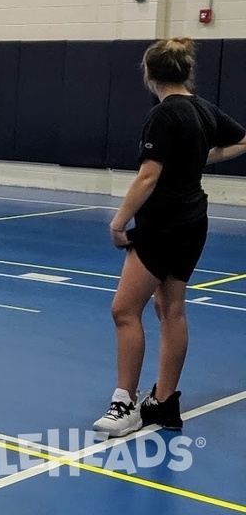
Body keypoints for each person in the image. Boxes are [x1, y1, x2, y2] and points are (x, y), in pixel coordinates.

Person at [94, 38, 246, 438]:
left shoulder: (163, 114)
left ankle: (124, 402)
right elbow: (242, 139)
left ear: (149, 74)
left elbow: (148, 175)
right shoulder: (201, 109)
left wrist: (118, 222)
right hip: (194, 222)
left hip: (161, 226)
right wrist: (201, 157)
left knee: (124, 310)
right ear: (185, 71)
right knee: (171, 310)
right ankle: (164, 402)